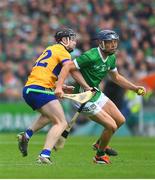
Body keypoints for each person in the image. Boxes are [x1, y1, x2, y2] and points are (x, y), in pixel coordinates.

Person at [55, 30, 146, 164]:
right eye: (110, 43)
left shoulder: (111, 57)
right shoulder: (91, 55)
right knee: (111, 126)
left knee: (120, 120)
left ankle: (100, 144)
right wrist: (65, 87)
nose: (113, 45)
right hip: (82, 97)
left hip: (95, 93)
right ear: (102, 43)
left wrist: (134, 88)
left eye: (115, 42)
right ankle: (99, 156)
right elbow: (69, 67)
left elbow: (116, 77)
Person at [17, 28, 91, 164]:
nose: (75, 42)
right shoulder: (63, 52)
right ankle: (44, 155)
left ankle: (26, 136)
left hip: (30, 89)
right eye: (72, 39)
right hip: (40, 89)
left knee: (48, 117)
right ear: (64, 40)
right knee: (61, 122)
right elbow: (70, 69)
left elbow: (44, 73)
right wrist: (87, 87)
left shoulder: (50, 49)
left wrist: (61, 86)